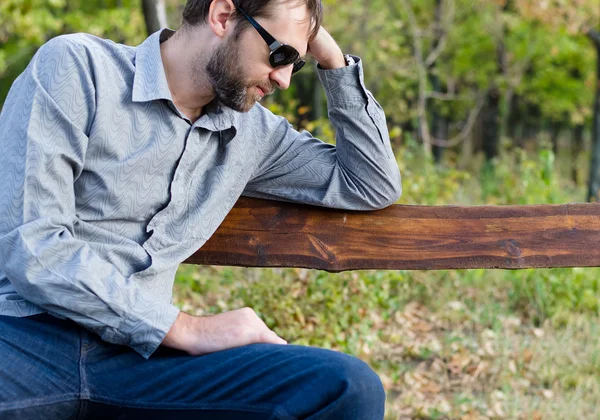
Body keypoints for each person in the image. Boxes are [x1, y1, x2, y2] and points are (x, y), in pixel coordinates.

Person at [0, 0, 401, 418]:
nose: (283, 79)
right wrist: (187, 328)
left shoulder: (254, 134)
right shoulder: (79, 67)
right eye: (280, 55)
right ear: (223, 16)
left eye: (295, 64)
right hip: (25, 338)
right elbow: (34, 245)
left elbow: (370, 183)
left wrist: (330, 58)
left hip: (145, 366)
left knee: (347, 386)